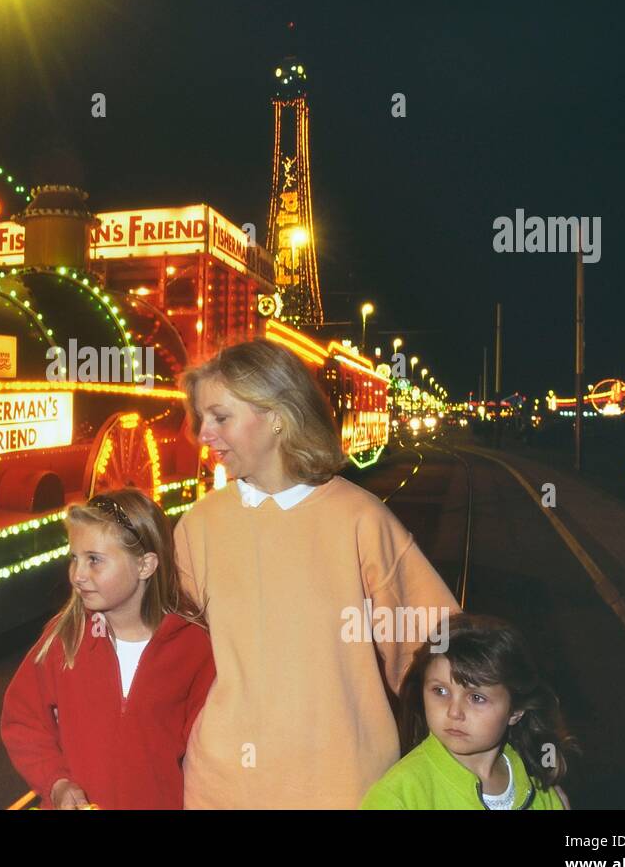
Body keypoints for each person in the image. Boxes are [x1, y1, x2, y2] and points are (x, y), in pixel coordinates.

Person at [175, 338, 458, 808]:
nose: (204, 434)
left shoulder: (361, 519)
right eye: (201, 419)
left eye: (220, 417)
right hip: (222, 789)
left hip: (346, 788)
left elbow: (437, 648)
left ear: (279, 416)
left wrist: (495, 760)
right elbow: (168, 662)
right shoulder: (197, 527)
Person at [0, 488, 215, 809]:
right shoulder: (66, 637)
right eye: (74, 558)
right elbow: (22, 720)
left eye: (95, 561)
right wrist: (55, 782)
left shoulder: (193, 646)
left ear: (145, 566)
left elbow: (207, 750)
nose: (78, 575)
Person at [360, 613, 574, 809]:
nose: (454, 712)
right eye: (440, 691)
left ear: (515, 712)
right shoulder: (399, 796)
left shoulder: (539, 788)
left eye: (476, 698)